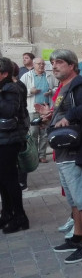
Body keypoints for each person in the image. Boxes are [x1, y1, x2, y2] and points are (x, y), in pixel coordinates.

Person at [36, 49, 82, 264]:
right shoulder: (63, 88)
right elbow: (63, 116)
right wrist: (49, 117)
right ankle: (76, 237)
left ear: (72, 65)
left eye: (58, 62)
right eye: (52, 62)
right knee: (74, 201)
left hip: (77, 151)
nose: (54, 66)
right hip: (64, 152)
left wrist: (70, 116)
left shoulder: (81, 85)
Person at [0, 57, 30, 234]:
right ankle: (7, 213)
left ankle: (20, 217)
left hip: (9, 141)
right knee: (2, 180)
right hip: (3, 139)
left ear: (4, 73)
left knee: (10, 180)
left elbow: (9, 111)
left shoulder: (12, 88)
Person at [20, 57, 59, 163]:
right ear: (33, 64)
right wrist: (30, 91)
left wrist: (51, 91)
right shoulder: (26, 76)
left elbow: (57, 87)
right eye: (39, 64)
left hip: (46, 110)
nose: (41, 66)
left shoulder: (50, 76)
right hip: (33, 109)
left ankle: (42, 155)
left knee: (45, 134)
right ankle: (34, 156)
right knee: (33, 133)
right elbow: (20, 91)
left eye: (43, 64)